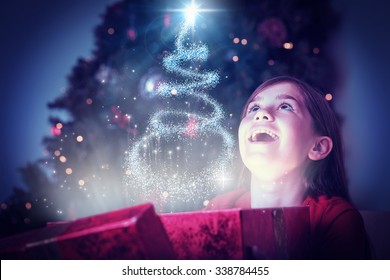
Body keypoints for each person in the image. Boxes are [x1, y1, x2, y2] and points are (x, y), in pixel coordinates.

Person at [205, 76, 371, 259]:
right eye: (254, 108)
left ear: (318, 147)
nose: (260, 114)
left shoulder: (335, 219)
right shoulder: (218, 209)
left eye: (285, 106)